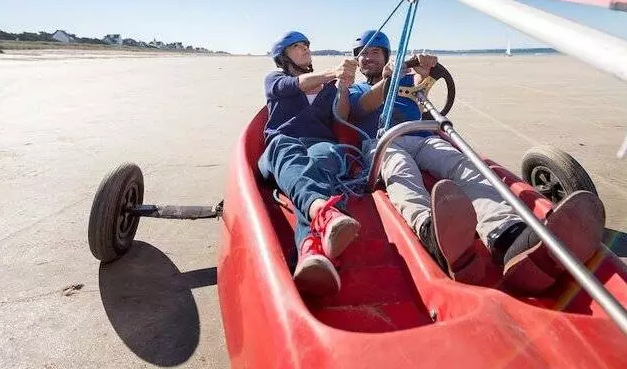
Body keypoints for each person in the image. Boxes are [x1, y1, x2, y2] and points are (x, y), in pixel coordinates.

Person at [348, 29, 605, 292]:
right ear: (358, 61)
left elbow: (425, 82)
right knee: (401, 171)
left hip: (423, 136)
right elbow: (362, 107)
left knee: (464, 166)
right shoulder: (355, 89)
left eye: (375, 52)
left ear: (386, 56)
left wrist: (425, 70)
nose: (368, 58)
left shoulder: (409, 80)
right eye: (363, 54)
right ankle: (429, 231)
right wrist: (388, 81)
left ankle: (508, 236)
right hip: (383, 143)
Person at [258, 31, 361, 296]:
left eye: (306, 46)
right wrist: (333, 73)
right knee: (286, 148)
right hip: (280, 147)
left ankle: (311, 252)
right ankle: (323, 212)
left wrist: (343, 87)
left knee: (324, 157)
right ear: (284, 56)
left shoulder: (328, 87)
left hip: (317, 142)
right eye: (297, 47)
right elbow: (298, 85)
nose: (305, 49)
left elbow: (342, 115)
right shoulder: (275, 79)